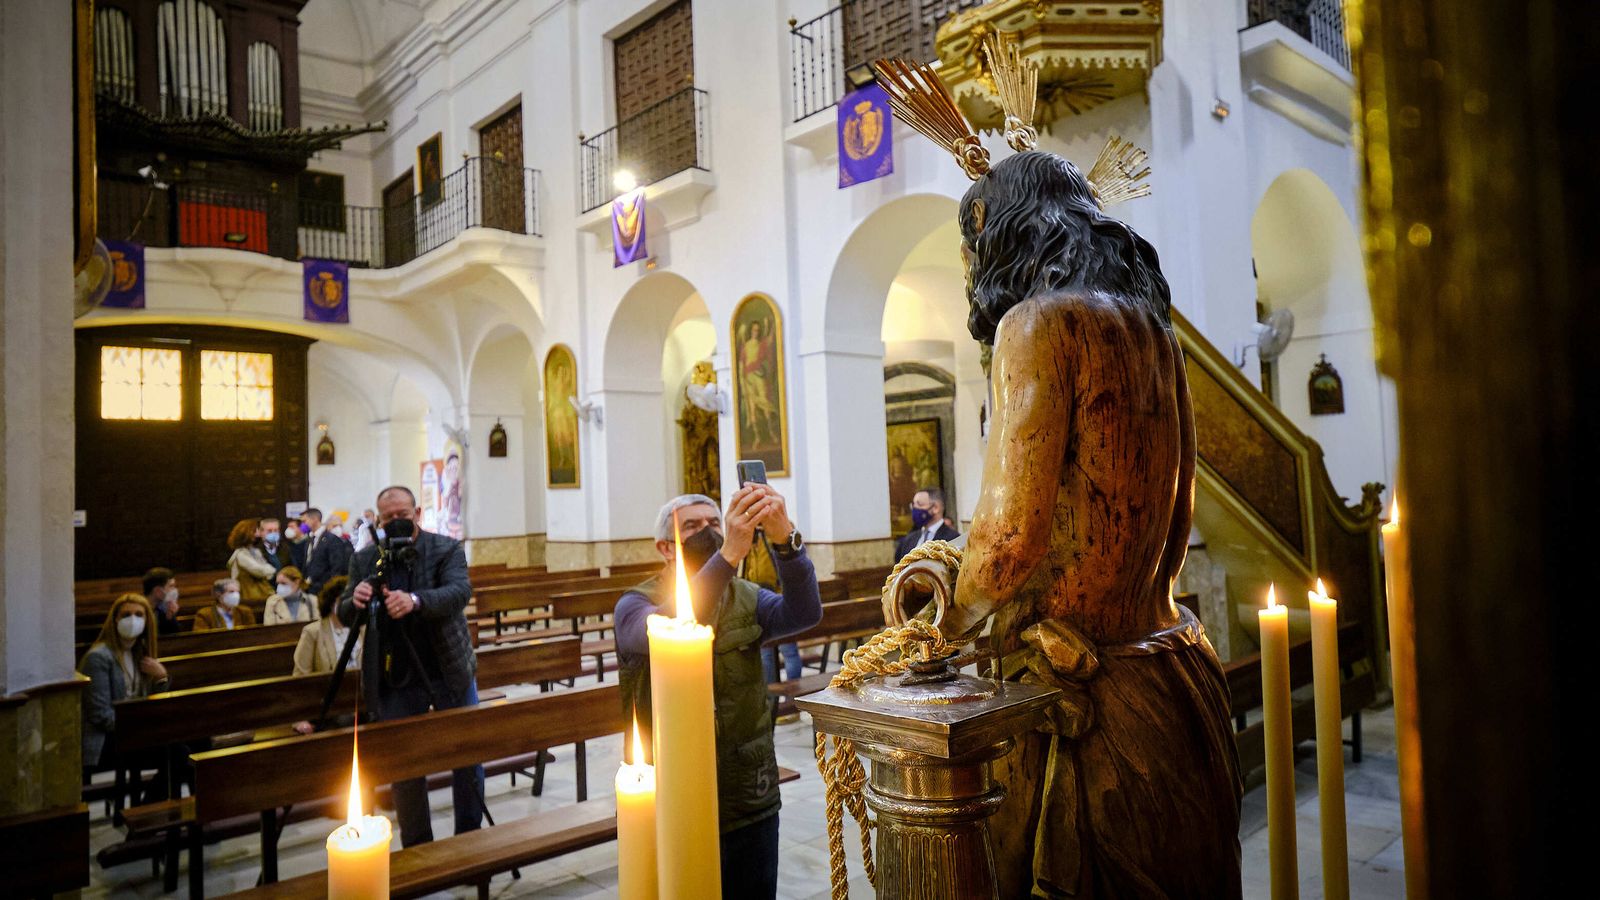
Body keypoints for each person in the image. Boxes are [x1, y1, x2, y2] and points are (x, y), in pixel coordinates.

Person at [614, 486, 821, 899]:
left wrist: (786, 543)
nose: (707, 531)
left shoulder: (744, 597)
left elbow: (805, 612)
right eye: (691, 526)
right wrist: (728, 556)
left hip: (748, 787)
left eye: (714, 523)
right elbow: (672, 626)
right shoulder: (634, 605)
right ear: (664, 547)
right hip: (674, 791)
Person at [338, 486, 480, 847]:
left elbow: (460, 592)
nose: (396, 522)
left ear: (417, 513)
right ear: (378, 520)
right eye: (388, 518)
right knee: (405, 765)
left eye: (403, 514)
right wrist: (354, 601)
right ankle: (418, 849)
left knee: (467, 756)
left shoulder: (446, 548)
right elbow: (342, 611)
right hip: (395, 675)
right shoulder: (365, 559)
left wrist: (416, 601)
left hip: (448, 668)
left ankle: (468, 840)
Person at [78, 594, 169, 776]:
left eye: (139, 614)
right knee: (177, 752)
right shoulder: (99, 657)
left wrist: (161, 678)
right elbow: (101, 716)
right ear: (115, 619)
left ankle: (157, 803)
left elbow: (151, 703)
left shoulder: (140, 654)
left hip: (133, 733)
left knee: (194, 745)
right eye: (126, 615)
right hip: (107, 740)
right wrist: (140, 728)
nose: (133, 619)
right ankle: (153, 804)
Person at [292, 576, 361, 735]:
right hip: (329, 704)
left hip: (359, 700)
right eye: (344, 600)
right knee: (345, 720)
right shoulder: (313, 632)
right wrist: (300, 718)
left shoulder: (363, 629)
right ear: (332, 603)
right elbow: (300, 676)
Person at [893, 487, 960, 562]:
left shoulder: (954, 539)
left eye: (919, 504)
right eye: (913, 504)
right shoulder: (909, 539)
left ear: (935, 508)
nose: (915, 508)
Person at [303, 507, 354, 595]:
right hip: (310, 587)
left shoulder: (332, 539)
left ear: (314, 519)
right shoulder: (309, 539)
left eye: (305, 521)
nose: (304, 524)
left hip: (324, 588)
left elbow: (336, 567)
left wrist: (329, 587)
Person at [227, 518, 277, 603]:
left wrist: (269, 571)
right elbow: (259, 571)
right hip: (249, 596)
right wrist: (271, 570)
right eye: (255, 531)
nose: (258, 533)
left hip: (260, 593)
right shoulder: (241, 554)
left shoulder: (254, 551)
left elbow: (265, 568)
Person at [193, 578, 257, 630]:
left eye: (238, 592)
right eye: (231, 592)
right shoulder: (204, 614)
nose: (236, 595)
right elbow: (202, 638)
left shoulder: (245, 611)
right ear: (218, 594)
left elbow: (252, 634)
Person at [143, 566, 182, 636]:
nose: (175, 590)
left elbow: (175, 639)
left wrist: (170, 616)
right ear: (158, 591)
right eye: (171, 586)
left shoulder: (162, 609)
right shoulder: (139, 611)